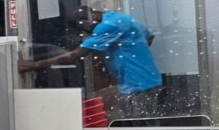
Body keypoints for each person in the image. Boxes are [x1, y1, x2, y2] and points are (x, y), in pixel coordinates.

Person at [20, 6, 163, 116]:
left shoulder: (107, 26)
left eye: (85, 30)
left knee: (141, 127)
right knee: (146, 125)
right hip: (147, 77)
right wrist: (127, 55)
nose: (89, 34)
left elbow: (75, 55)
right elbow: (148, 37)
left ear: (88, 21)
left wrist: (34, 65)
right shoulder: (120, 17)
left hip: (137, 83)